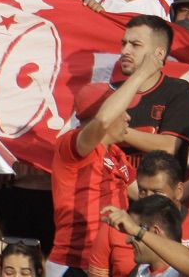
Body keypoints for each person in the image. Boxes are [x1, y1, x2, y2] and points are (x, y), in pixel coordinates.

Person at [47, 51, 160, 275]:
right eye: (123, 111)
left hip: (110, 261)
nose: (128, 117)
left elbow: (147, 196)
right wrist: (141, 74)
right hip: (74, 264)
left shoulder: (116, 154)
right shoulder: (72, 144)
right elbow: (103, 120)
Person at [92, 150, 189, 277]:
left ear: (179, 191)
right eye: (142, 191)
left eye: (157, 192)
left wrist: (138, 232)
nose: (149, 198)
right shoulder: (117, 226)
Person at [113, 16, 189, 169]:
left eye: (135, 45)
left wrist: (111, 129)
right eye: (123, 43)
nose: (125, 51)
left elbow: (168, 146)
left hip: (159, 192)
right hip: (111, 190)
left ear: (159, 53)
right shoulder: (110, 92)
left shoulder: (178, 91)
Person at [101, 196, 189, 277]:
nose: (127, 240)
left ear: (155, 232)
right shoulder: (140, 272)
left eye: (133, 234)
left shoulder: (181, 271)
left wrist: (138, 231)